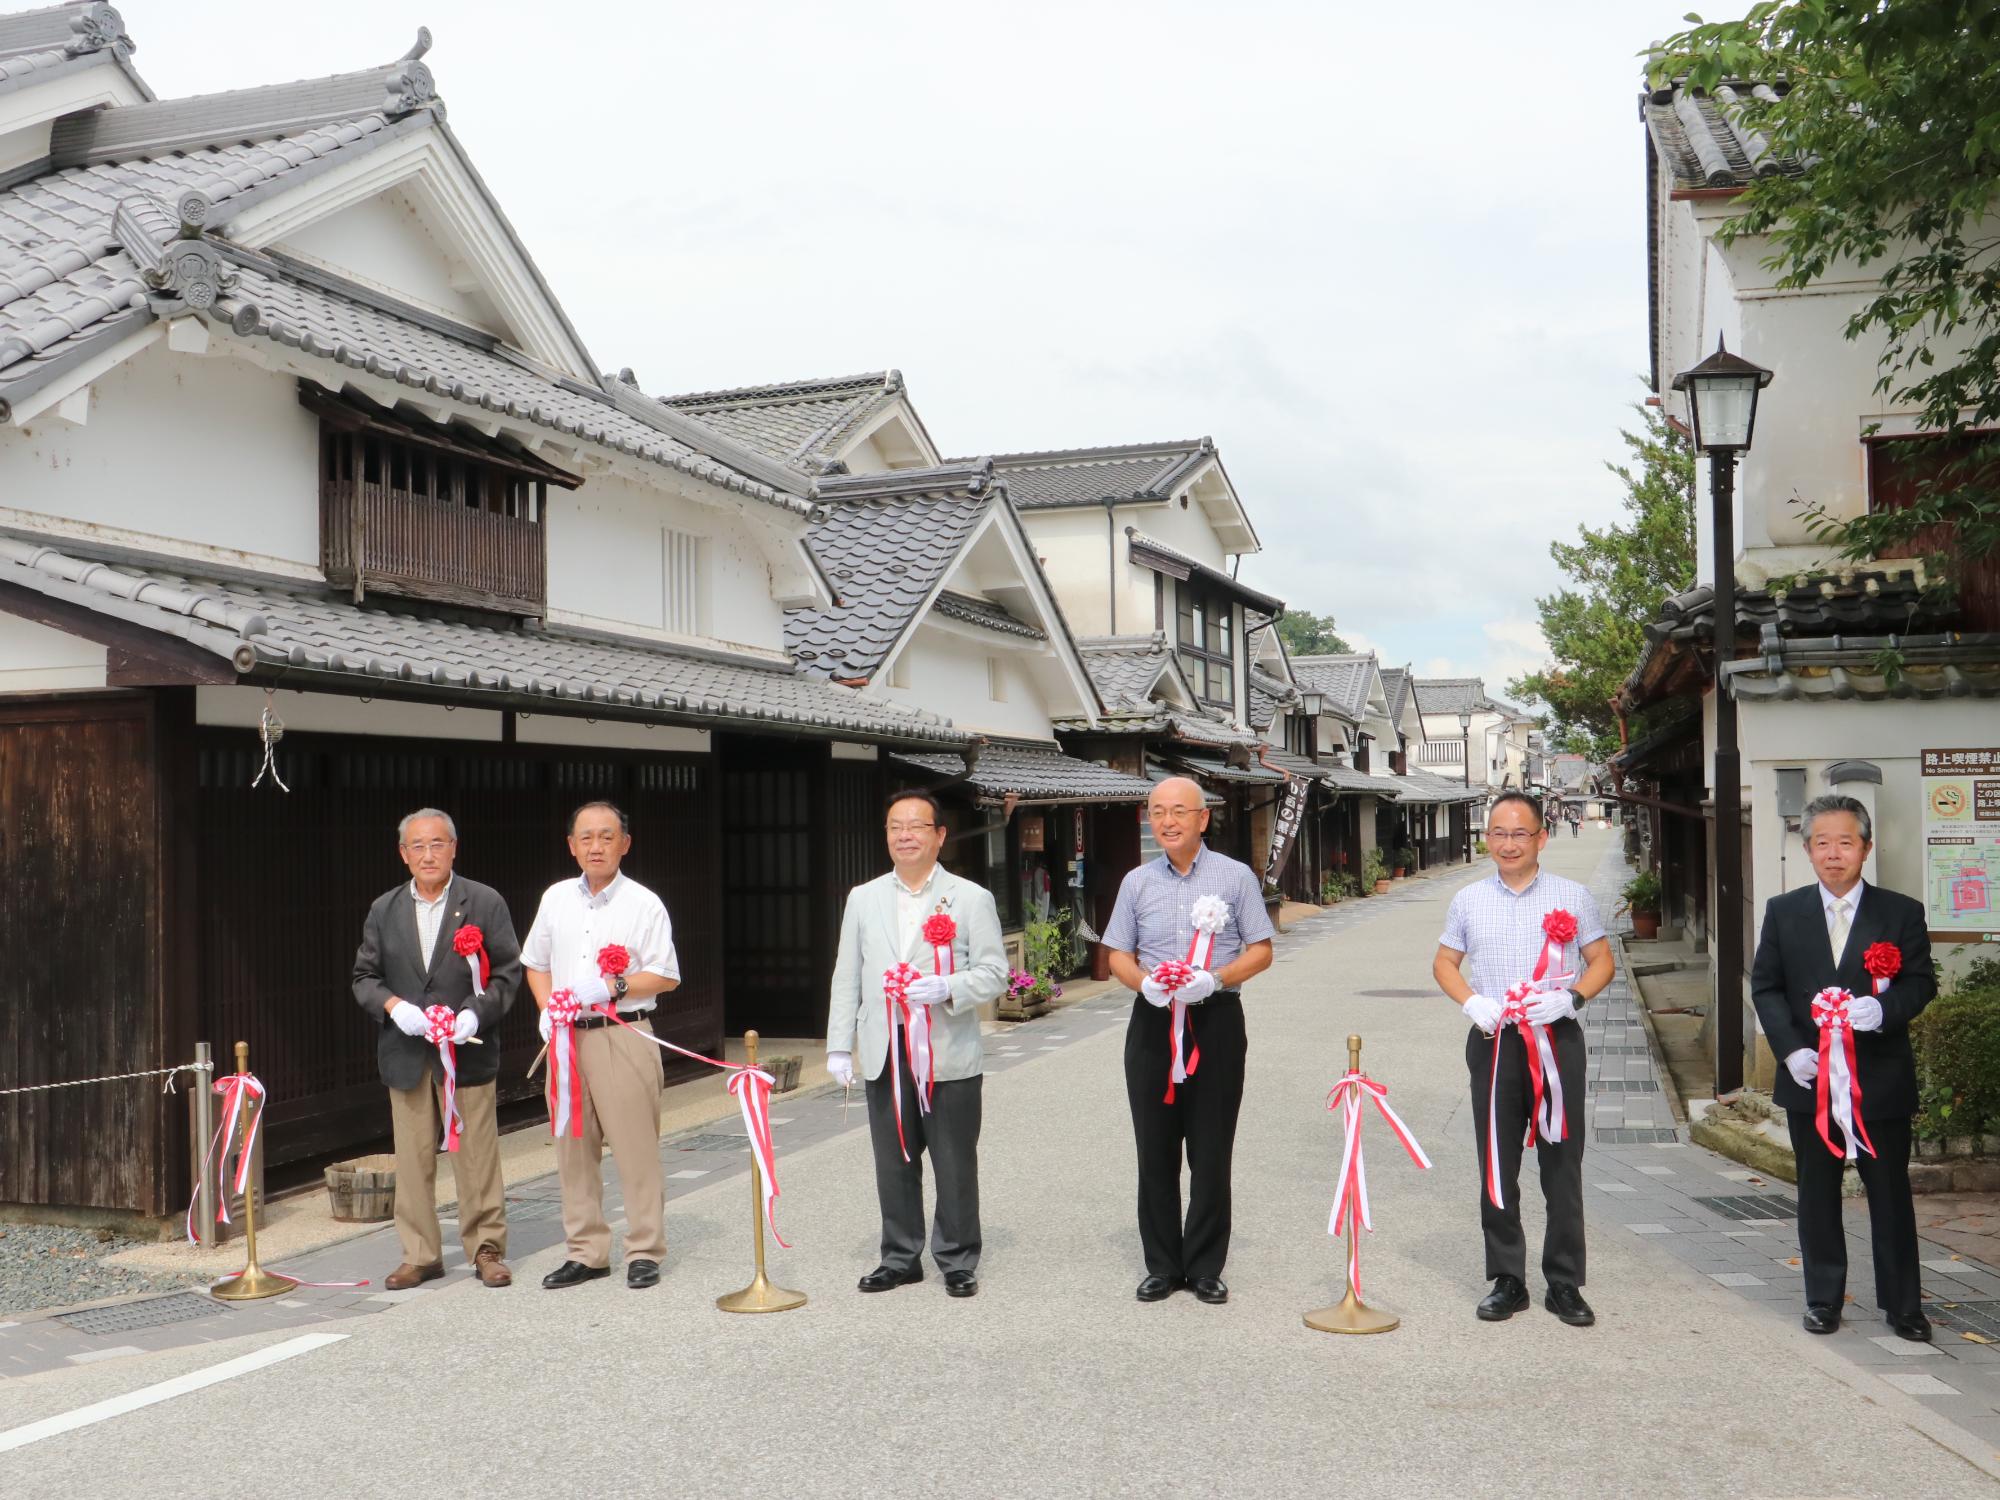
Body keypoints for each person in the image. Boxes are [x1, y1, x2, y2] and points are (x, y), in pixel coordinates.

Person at [1750, 794, 1937, 1340]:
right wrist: (1789, 1050)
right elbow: (1766, 985)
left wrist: (1882, 1009)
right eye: (1823, 843)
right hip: (1810, 1078)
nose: (1835, 854)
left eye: (1846, 842)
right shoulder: (1784, 912)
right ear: (1808, 849)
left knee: (1890, 1193)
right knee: (1816, 1192)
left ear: (1866, 848)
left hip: (1878, 1077)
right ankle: (1824, 1298)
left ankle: (1904, 1305)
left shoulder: (1900, 912)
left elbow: (1921, 982)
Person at [1433, 788, 1614, 1327]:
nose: (1508, 843)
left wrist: (1572, 996)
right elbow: (1445, 962)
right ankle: (1507, 1278)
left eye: (1519, 833)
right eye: (1498, 833)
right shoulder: (1468, 900)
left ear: (1542, 837)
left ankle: (1564, 1281)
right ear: (1487, 838)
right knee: (1497, 1159)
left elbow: (1600, 960)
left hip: (1555, 1040)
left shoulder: (1573, 897)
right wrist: (1473, 1002)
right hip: (1495, 1040)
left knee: (1562, 1161)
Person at [825, 790, 1006, 1298]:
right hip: (885, 1046)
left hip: (946, 1049)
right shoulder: (863, 897)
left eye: (916, 826)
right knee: (894, 1158)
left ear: (939, 835)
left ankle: (957, 1257)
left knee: (953, 1159)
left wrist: (948, 987)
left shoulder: (970, 898)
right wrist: (840, 1045)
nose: (905, 835)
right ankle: (901, 1256)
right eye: (894, 827)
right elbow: (848, 976)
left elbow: (995, 973)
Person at [1103, 776, 1274, 1305]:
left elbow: (1262, 949)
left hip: (1215, 1020)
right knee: (1154, 1148)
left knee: (1211, 1146)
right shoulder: (1136, 882)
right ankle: (1161, 1264)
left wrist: (1216, 978)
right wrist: (1145, 983)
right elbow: (1116, 955)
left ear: (1203, 819)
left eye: (1179, 811)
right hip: (1153, 1023)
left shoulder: (1234, 876)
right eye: (1157, 812)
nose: (1167, 821)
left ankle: (1204, 1264)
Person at [352, 808, 521, 1290]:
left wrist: (475, 1012)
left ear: (454, 848)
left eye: (438, 844)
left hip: (467, 1052)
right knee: (413, 1158)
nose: (429, 854)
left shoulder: (484, 902)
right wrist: (393, 1007)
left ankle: (486, 1249)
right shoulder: (384, 910)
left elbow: (507, 972)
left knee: (477, 1156)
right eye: (418, 846)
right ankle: (421, 1254)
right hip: (407, 1054)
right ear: (404, 855)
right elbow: (364, 978)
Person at [522, 801, 680, 1291]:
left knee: (635, 1148)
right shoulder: (554, 899)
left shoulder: (644, 903)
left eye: (607, 836)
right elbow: (536, 962)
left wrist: (611, 988)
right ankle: (587, 1251)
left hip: (624, 1033)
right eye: (586, 837)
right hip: (568, 1040)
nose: (596, 846)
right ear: (571, 845)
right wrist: (547, 1007)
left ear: (624, 844)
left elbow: (666, 975)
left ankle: (644, 1250)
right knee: (573, 1149)